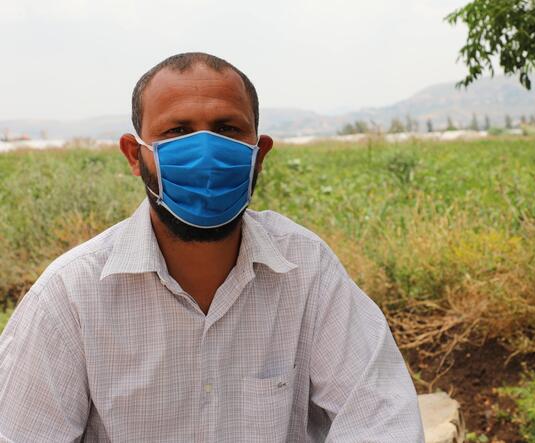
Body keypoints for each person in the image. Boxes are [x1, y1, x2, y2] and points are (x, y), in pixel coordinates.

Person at [0, 52, 424, 442]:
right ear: (134, 155)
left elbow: (381, 419)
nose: (205, 153)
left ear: (258, 155)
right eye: (178, 131)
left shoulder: (306, 269)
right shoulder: (70, 296)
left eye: (227, 129)